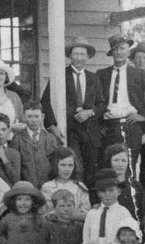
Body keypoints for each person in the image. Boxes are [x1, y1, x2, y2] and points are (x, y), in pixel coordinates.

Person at [96, 34, 145, 173]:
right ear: (111, 53)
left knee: (129, 169)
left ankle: (127, 195)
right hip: (109, 127)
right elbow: (95, 102)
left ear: (128, 52)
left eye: (122, 48)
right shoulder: (101, 74)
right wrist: (99, 124)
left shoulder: (137, 74)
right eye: (115, 49)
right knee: (108, 168)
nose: (118, 52)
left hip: (131, 127)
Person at [41, 37, 105, 189]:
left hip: (90, 129)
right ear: (70, 56)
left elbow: (102, 104)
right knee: (75, 165)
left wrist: (90, 112)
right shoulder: (60, 76)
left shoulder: (93, 78)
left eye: (82, 54)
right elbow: (45, 101)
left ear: (88, 57)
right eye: (75, 54)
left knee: (91, 168)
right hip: (70, 129)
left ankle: (89, 203)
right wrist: (52, 126)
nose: (79, 58)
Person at [10, 101, 59, 189]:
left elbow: (55, 164)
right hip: (26, 187)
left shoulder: (50, 139)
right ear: (23, 117)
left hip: (47, 186)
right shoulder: (17, 139)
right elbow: (15, 167)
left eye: (36, 116)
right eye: (30, 116)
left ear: (42, 117)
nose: (33, 120)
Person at [41, 147, 90, 215]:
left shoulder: (80, 187)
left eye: (70, 165)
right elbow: (47, 213)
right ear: (56, 165)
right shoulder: (47, 187)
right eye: (63, 165)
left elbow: (86, 211)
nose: (67, 169)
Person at [102, 143, 144, 220]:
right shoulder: (103, 186)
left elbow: (143, 214)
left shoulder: (136, 186)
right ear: (109, 162)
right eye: (116, 160)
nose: (120, 164)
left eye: (124, 161)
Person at [0, 113, 22, 186]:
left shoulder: (14, 153)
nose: (0, 133)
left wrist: (4, 159)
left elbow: (16, 180)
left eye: (3, 129)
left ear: (9, 130)